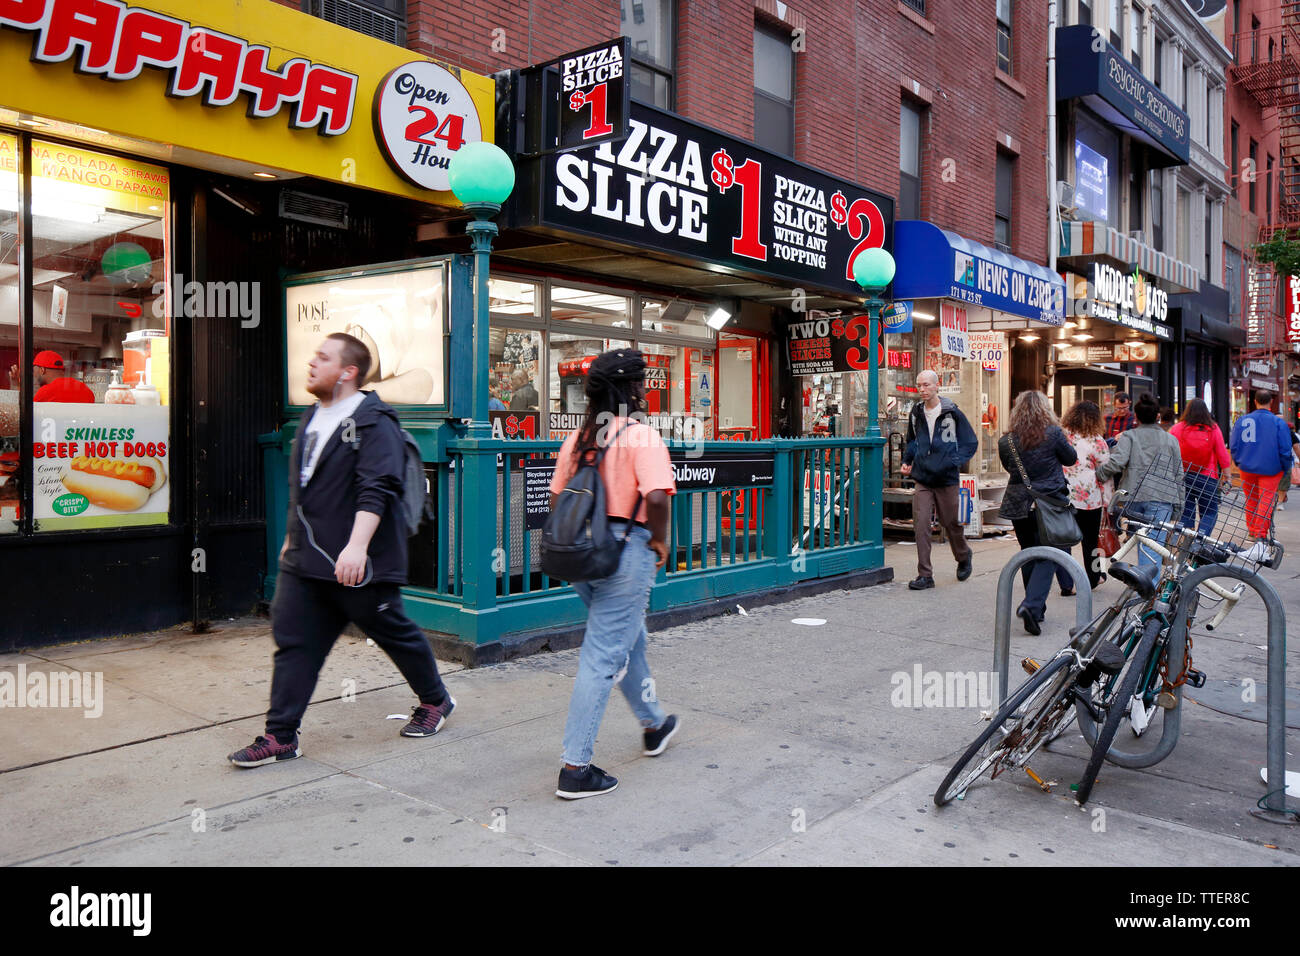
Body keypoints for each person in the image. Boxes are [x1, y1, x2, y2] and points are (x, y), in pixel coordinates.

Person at [228, 333, 454, 768]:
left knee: (396, 635)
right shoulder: (314, 416)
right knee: (295, 644)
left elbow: (377, 487)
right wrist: (292, 538)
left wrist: (356, 547)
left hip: (360, 563)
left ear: (348, 372)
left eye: (323, 358)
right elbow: (307, 490)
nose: (312, 363)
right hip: (307, 562)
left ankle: (436, 700)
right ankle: (281, 737)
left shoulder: (374, 421)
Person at [547, 349, 679, 799]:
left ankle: (654, 724)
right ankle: (575, 767)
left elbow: (556, 500)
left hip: (584, 553)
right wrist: (659, 541)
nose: (646, 389)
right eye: (642, 382)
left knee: (629, 637)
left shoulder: (579, 439)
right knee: (604, 654)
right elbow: (658, 498)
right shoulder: (641, 436)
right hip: (626, 550)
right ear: (630, 389)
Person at [997, 391, 1077, 634]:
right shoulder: (1052, 434)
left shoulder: (1006, 441)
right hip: (1050, 503)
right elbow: (1071, 458)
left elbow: (1009, 467)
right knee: (1053, 553)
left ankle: (1036, 609)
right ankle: (1032, 605)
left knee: (1029, 553)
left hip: (1020, 504)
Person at [900, 369, 978, 590]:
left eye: (926, 385)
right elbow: (912, 440)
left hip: (946, 478)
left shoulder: (952, 412)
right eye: (919, 385)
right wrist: (908, 460)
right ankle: (925, 575)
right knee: (921, 524)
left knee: (951, 523)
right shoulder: (916, 413)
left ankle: (963, 555)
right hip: (923, 477)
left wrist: (955, 461)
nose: (922, 389)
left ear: (936, 386)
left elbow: (970, 442)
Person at [1096, 393, 1183, 569]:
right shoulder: (1171, 440)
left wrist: (1098, 474)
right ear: (1157, 416)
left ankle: (1145, 585)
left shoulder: (1129, 437)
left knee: (1142, 539)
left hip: (1133, 498)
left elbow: (1117, 462)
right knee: (1153, 544)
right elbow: (1178, 474)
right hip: (1162, 498)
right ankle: (1148, 588)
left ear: (1136, 417)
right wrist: (1179, 506)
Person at [1229, 388, 1292, 561]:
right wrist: (1285, 467)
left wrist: (1238, 461)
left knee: (1251, 499)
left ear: (1254, 401)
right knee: (1266, 500)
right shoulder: (1278, 423)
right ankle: (1260, 537)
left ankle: (1253, 532)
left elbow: (1234, 443)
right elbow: (1285, 448)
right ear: (1270, 402)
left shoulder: (1242, 420)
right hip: (1271, 467)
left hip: (1247, 466)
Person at [1059, 400, 1111, 591]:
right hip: (1090, 498)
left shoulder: (1063, 438)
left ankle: (1066, 583)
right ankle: (1094, 577)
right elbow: (1105, 474)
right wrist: (1108, 501)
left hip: (1064, 495)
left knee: (1064, 540)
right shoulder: (1097, 441)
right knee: (1091, 541)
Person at [1169, 398, 1230, 537]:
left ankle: (1182, 540)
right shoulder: (1213, 428)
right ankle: (1200, 539)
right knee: (1209, 511)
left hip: (1183, 476)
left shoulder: (1177, 428)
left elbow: (1169, 451)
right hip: (1207, 477)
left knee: (1186, 510)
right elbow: (1222, 454)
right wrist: (1228, 476)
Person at [9, 350, 95, 403]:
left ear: (42, 370)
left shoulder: (45, 392)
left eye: (34, 371)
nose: (34, 375)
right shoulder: (85, 389)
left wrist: (15, 384)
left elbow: (25, 414)